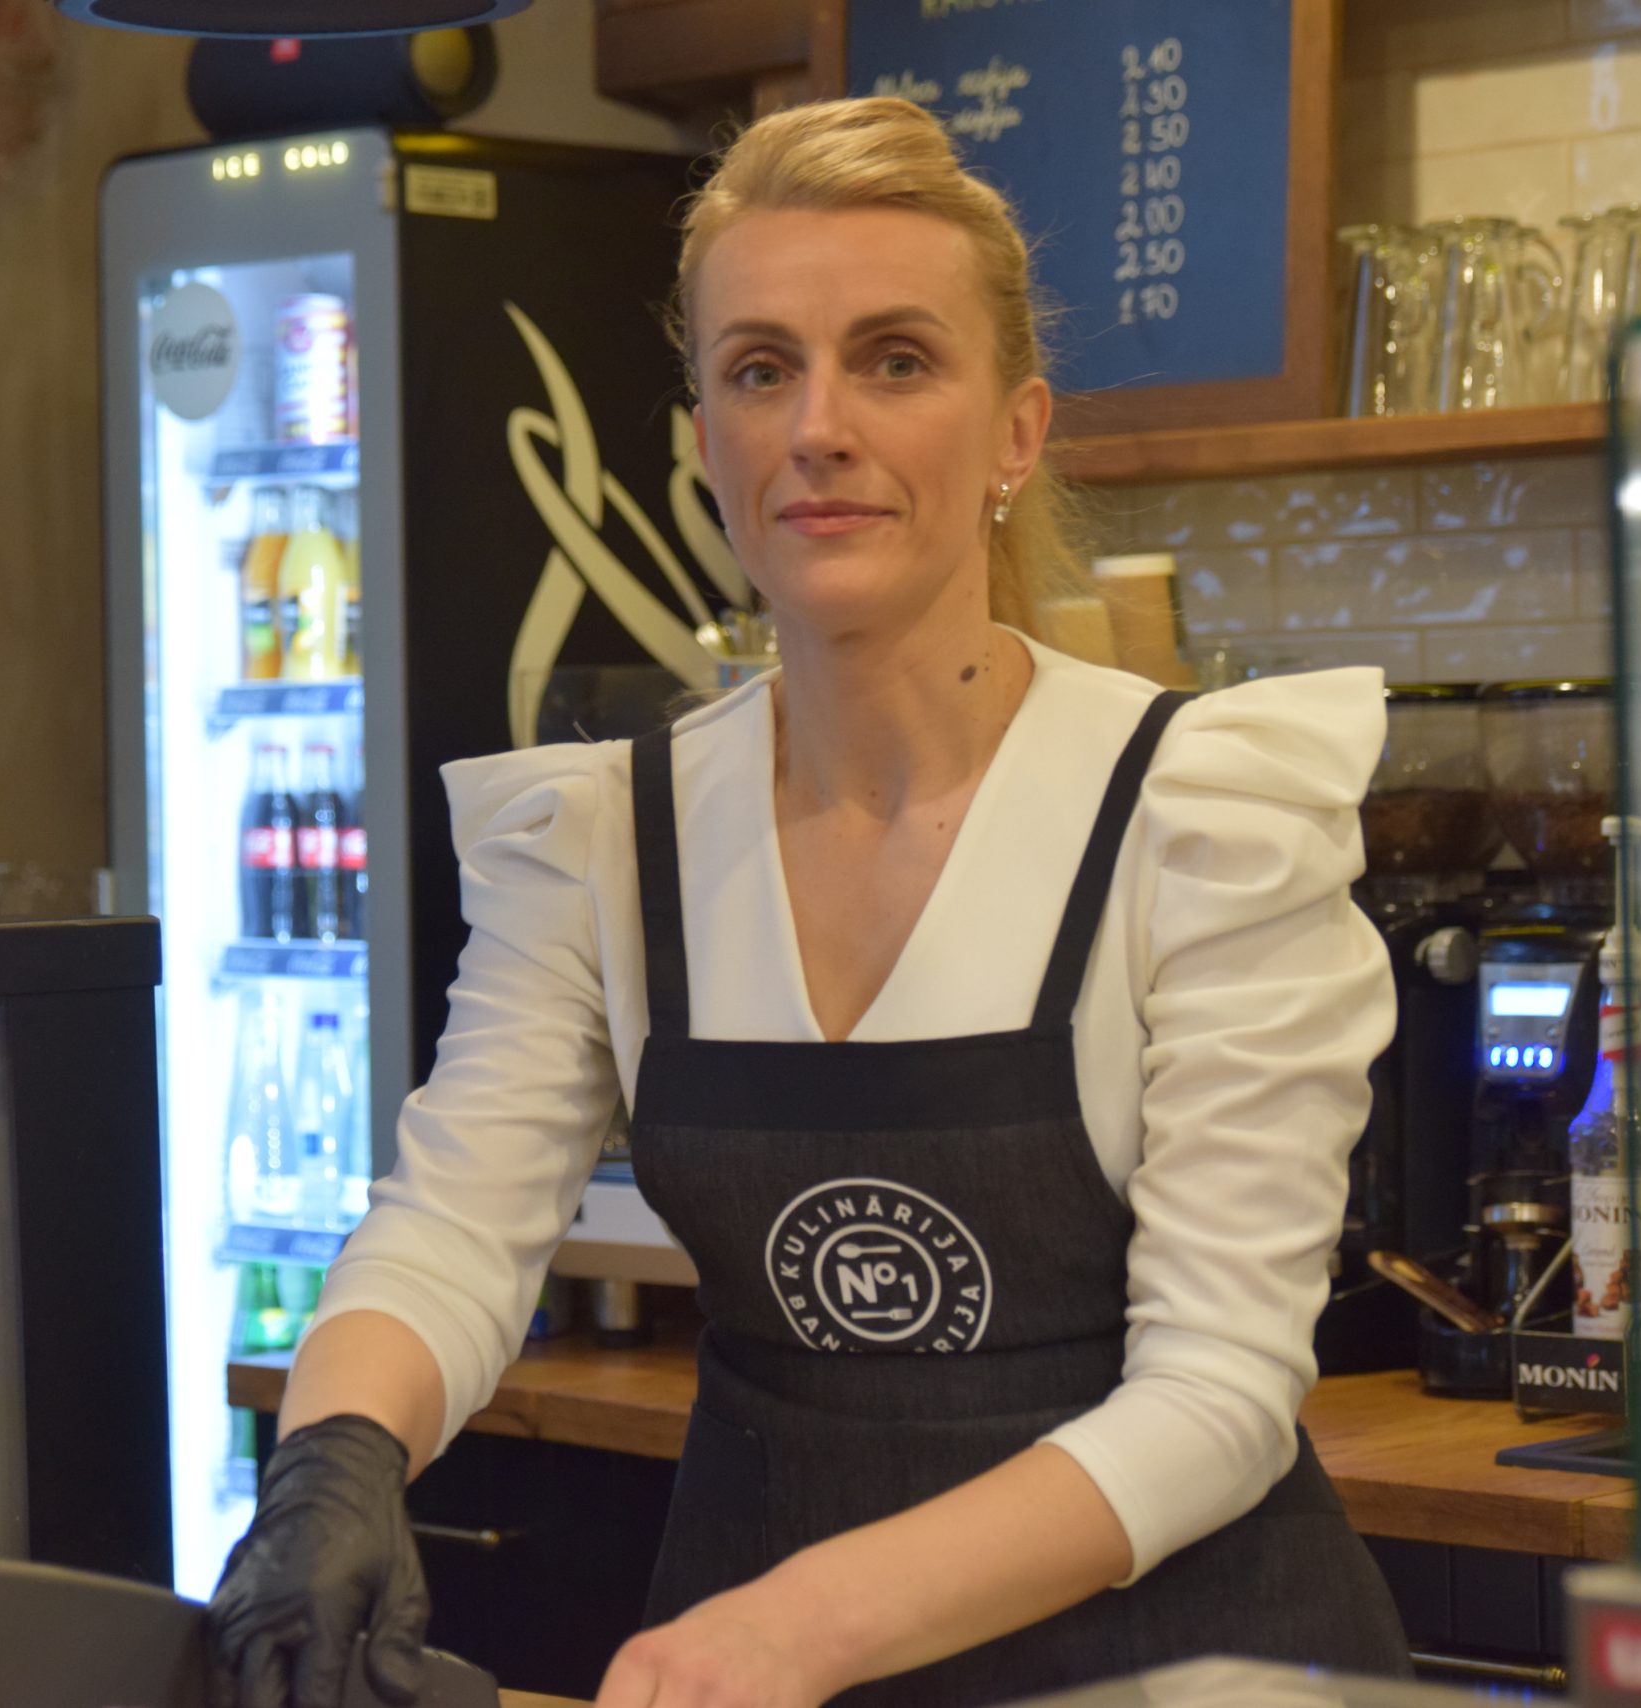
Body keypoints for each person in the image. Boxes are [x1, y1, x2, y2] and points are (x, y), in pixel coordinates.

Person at [208, 97, 1408, 1708]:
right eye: (761, 369)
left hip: (1173, 1668)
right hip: (749, 1655)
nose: (819, 426)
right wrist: (334, 1463)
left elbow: (1219, 1396)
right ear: (706, 436)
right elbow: (452, 1232)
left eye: (896, 361)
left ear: (1017, 432)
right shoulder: (607, 833)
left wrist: (795, 1630)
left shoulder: (1198, 814)